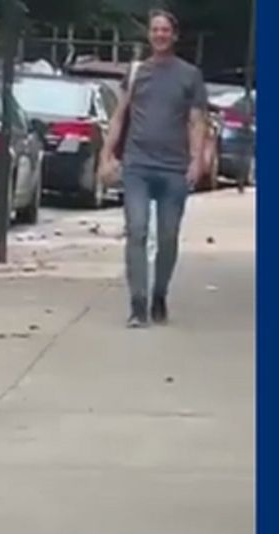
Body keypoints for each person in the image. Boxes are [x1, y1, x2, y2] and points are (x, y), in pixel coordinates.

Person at [99, 10, 209, 328]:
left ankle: (160, 293)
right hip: (137, 165)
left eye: (165, 30)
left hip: (174, 168)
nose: (160, 35)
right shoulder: (135, 73)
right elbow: (119, 116)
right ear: (149, 35)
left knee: (168, 236)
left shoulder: (190, 75)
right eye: (155, 29)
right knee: (136, 230)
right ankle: (138, 303)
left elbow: (196, 121)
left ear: (174, 36)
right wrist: (106, 154)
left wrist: (196, 159)